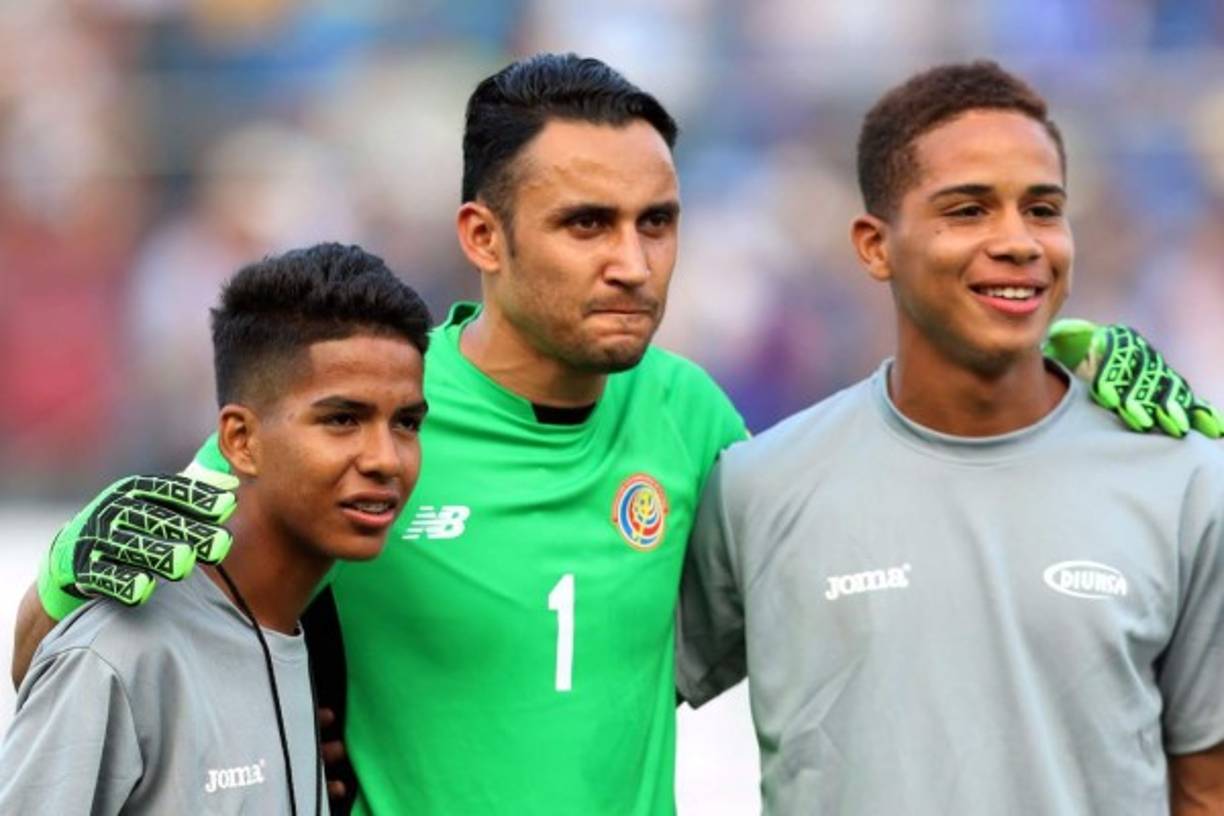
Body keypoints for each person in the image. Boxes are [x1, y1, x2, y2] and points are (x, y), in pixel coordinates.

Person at [10, 54, 1219, 815]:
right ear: (484, 238)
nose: (634, 263)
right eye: (587, 223)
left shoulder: (691, 417)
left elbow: (884, 515)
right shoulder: (366, 412)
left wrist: (1073, 375)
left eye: (657, 222)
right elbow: (103, 654)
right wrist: (64, 577)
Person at [676, 61, 1224, 815]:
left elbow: (1208, 789)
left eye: (1042, 209)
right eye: (968, 210)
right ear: (875, 246)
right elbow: (596, 704)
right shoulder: (759, 486)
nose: (1018, 241)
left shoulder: (1186, 480)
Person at [0, 243, 431, 815]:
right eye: (342, 419)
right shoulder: (124, 647)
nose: (386, 458)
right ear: (240, 441)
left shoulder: (309, 648)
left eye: (406, 422)